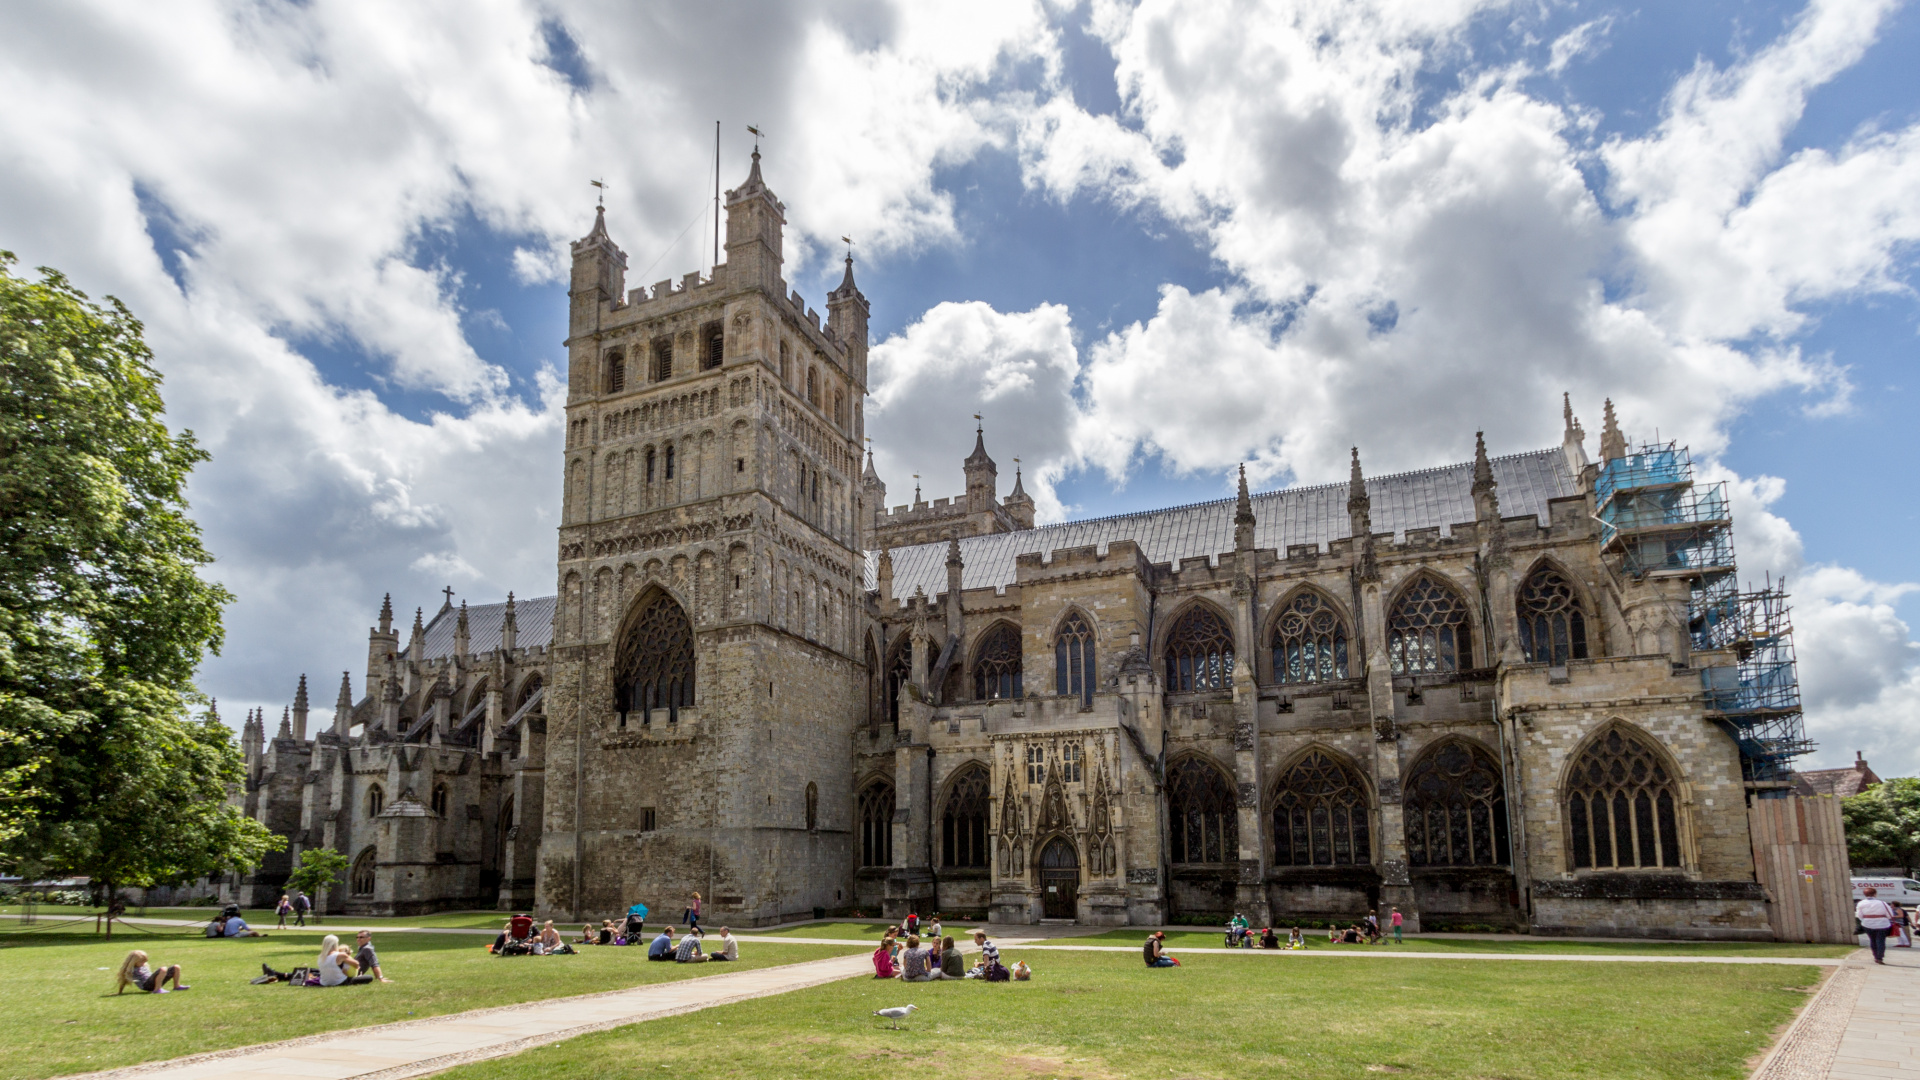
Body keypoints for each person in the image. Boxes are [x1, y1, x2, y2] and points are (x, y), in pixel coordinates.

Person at [115, 950, 188, 994]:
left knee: (176, 967)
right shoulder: (131, 969)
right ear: (134, 961)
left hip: (153, 982)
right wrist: (120, 992)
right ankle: (157, 990)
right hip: (146, 985)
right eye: (141, 962)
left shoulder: (142, 966)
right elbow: (123, 980)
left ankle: (176, 986)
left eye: (144, 962)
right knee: (163, 969)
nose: (143, 963)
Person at [1859, 886, 1898, 965]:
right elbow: (1890, 915)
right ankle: (1880, 957)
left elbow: (1859, 915)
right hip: (1882, 924)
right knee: (1880, 940)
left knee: (1872, 940)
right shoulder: (1882, 903)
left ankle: (1875, 955)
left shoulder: (1861, 903)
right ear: (1875, 894)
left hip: (1868, 924)